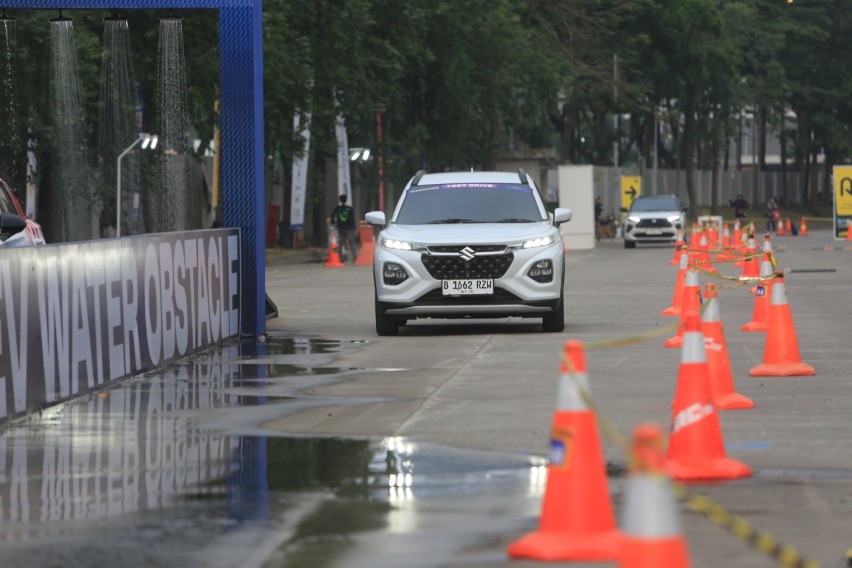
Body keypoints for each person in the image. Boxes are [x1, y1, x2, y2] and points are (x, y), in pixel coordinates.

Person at [330, 193, 358, 262]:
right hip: (349, 228)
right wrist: (354, 227)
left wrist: (333, 223)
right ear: (346, 200)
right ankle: (355, 257)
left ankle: (341, 258)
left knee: (341, 244)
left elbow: (332, 215)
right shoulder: (350, 209)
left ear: (340, 200)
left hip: (340, 228)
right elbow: (352, 218)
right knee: (352, 243)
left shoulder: (337, 208)